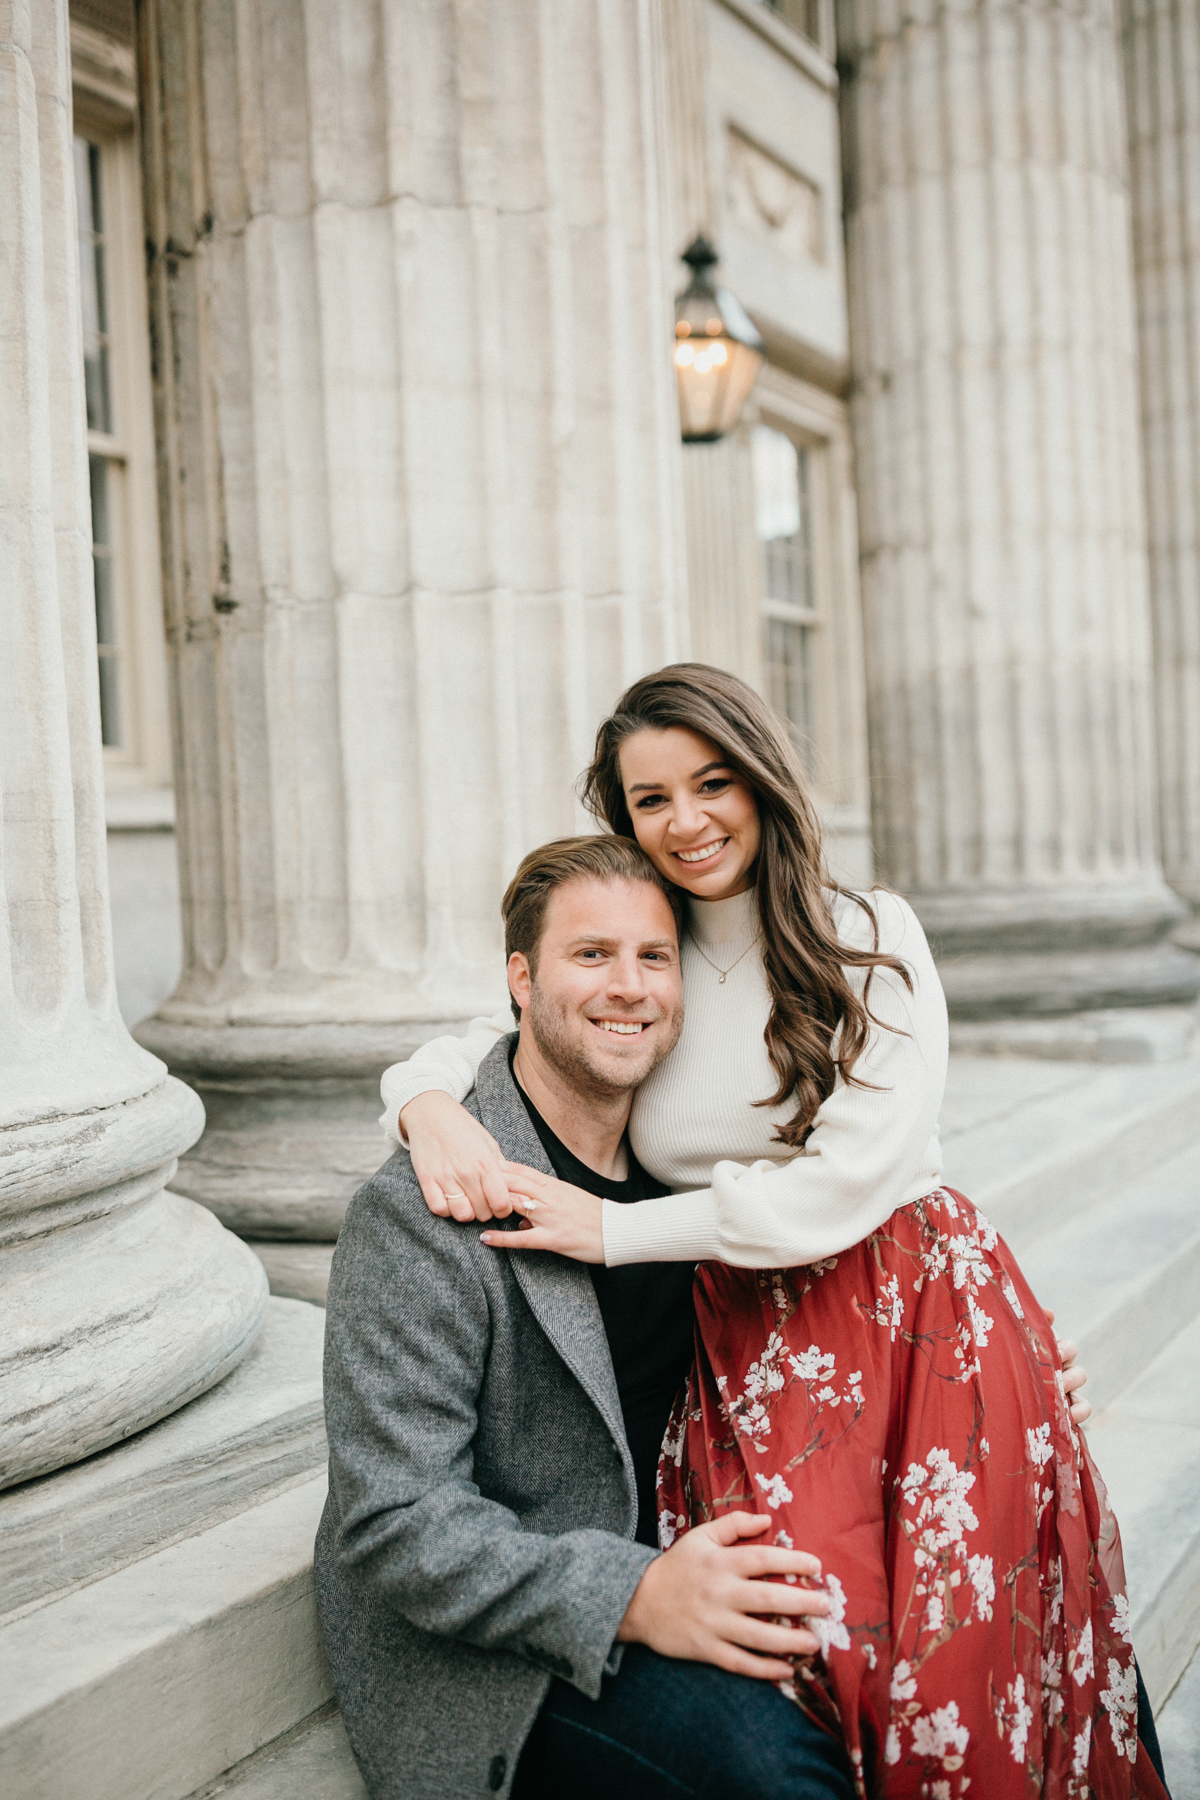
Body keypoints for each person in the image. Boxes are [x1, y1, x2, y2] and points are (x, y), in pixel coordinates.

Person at [383, 664, 1170, 1799]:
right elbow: (477, 1035)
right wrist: (422, 1108)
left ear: (761, 777)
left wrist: (614, 1230)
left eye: (711, 783)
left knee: (972, 1651)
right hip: (750, 1341)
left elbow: (849, 1183)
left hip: (918, 1313)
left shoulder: (868, 934)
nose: (686, 821)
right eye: (650, 799)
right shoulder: (653, 951)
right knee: (824, 1643)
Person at [316, 833, 857, 1800]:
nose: (629, 986)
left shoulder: (688, 1177)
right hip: (509, 1651)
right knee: (778, 1767)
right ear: (520, 978)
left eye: (654, 957)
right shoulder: (422, 1212)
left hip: (698, 1541)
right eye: (591, 955)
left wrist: (986, 1364)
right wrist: (637, 1596)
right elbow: (396, 1522)